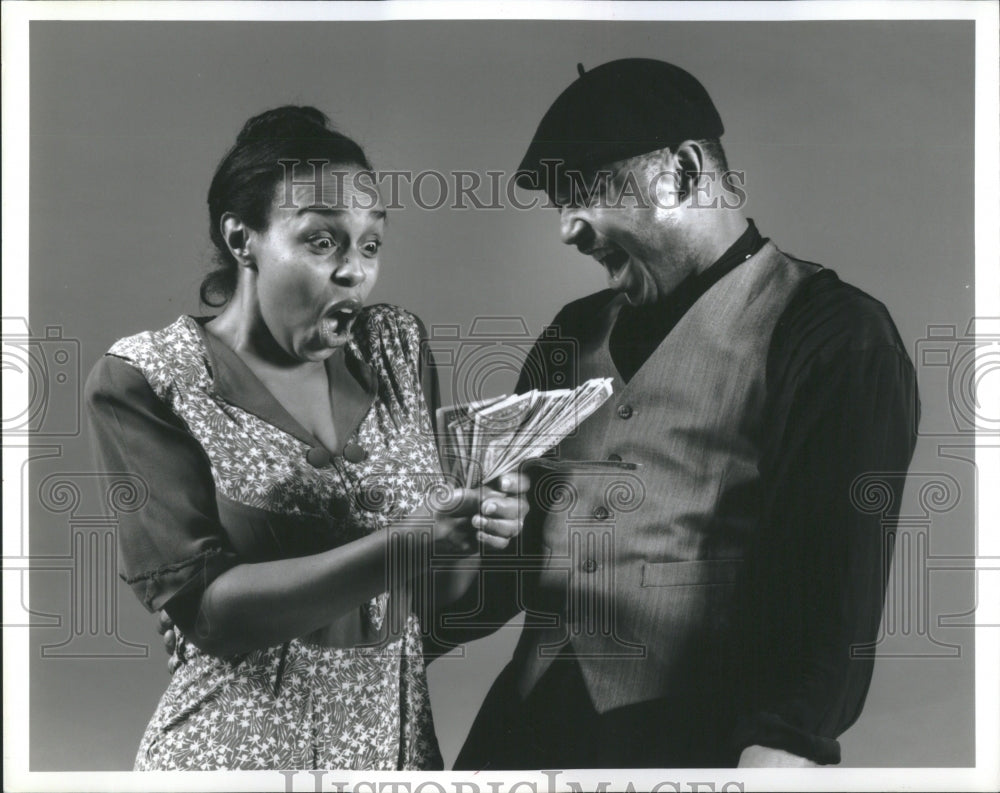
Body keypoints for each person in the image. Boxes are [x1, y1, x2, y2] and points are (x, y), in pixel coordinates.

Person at [449, 58, 920, 768]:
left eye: (582, 193)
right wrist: (459, 536)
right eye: (557, 203)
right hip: (520, 732)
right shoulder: (570, 333)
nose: (567, 229)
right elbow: (498, 579)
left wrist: (781, 747)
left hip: (700, 743)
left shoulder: (833, 333)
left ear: (684, 172)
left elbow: (833, 595)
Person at [85, 105, 526, 771]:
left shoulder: (395, 350)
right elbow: (210, 614)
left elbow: (437, 602)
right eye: (322, 241)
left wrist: (473, 522)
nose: (355, 270)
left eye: (370, 244)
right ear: (243, 239)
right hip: (233, 761)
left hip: (397, 757)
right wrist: (404, 543)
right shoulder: (148, 376)